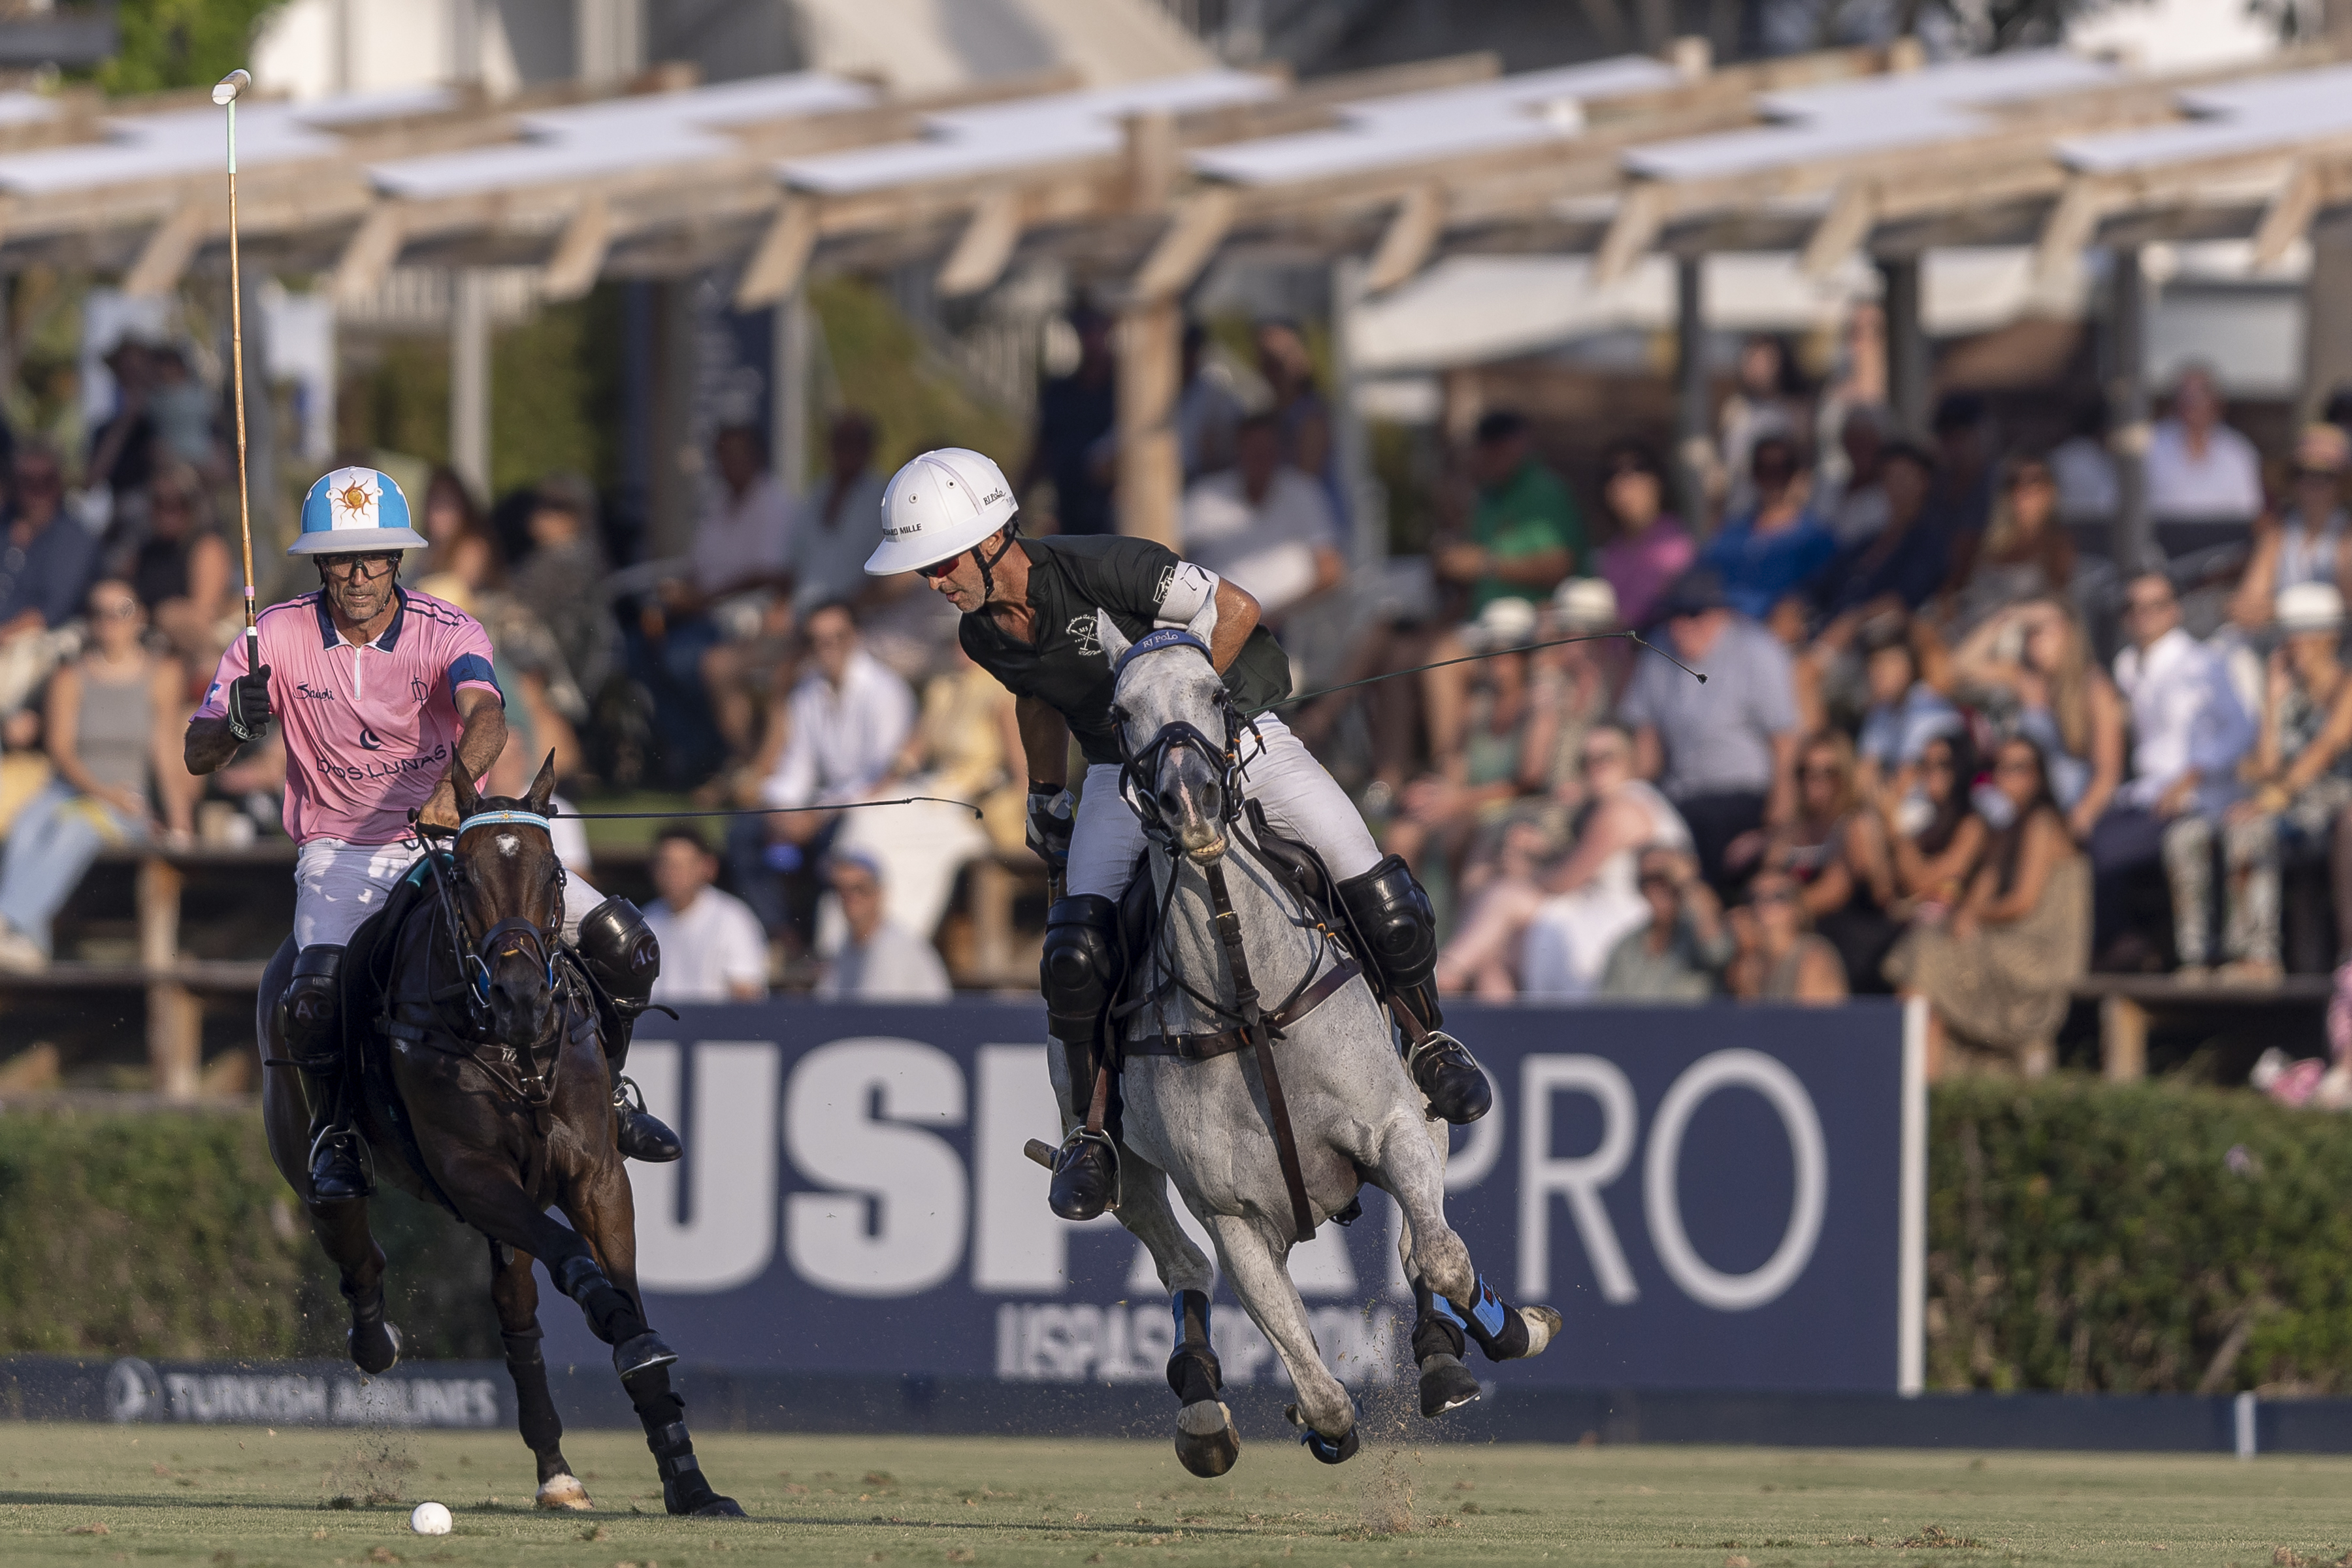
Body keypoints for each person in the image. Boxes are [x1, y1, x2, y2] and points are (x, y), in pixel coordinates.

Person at [863, 446, 1489, 1224]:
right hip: (1117, 777)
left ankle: (1428, 1043)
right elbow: (1036, 701)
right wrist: (1044, 794)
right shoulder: (981, 634)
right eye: (923, 569)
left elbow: (1236, 607)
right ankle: (1091, 1135)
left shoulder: (1105, 567)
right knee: (1073, 953)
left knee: (1377, 887)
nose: (934, 580)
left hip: (1237, 742)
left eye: (943, 561)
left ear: (994, 538)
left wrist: (1171, 715)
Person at [182, 466, 677, 1201]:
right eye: (342, 558)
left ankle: (609, 1096)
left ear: (398, 560)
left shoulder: (449, 629)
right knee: (312, 1001)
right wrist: (240, 722)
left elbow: (487, 714)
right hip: (343, 852)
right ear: (320, 561)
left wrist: (453, 789)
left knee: (626, 946)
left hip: (450, 840)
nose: (358, 574)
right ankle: (338, 1135)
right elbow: (199, 753)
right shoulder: (272, 635)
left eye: (375, 556)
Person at [0, 580, 193, 970]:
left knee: (76, 829)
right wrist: (101, 792)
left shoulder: (163, 672)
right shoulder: (70, 676)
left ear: (139, 616)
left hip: (126, 799)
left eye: (119, 611)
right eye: (97, 613)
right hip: (71, 791)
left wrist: (180, 822)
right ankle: (25, 938)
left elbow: (165, 750)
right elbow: (62, 752)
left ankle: (14, 925)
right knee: (27, 826)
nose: (109, 623)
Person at [1434, 721, 1691, 1000]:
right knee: (1492, 952)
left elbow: (1567, 880)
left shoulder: (1621, 810)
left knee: (1506, 897)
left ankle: (1445, 974)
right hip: (1601, 918)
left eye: (1606, 757)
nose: (1594, 766)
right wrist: (1540, 854)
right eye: (1586, 760)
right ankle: (1490, 1024)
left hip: (1621, 932)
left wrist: (1525, 872)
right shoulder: (1623, 804)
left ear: (1630, 760)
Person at [1886, 735, 2089, 1075]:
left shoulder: (2042, 823)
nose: (2004, 776)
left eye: (2017, 768)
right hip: (2005, 939)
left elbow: (2021, 903)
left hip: (2035, 952)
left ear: (2037, 775)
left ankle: (1914, 1085)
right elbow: (1983, 890)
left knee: (1926, 954)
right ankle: (1920, 1078)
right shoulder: (2010, 826)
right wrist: (1964, 915)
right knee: (1928, 947)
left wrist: (1973, 917)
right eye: (1999, 767)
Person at [2092, 572, 2257, 972]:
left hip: (2194, 797)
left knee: (2105, 850)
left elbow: (2242, 729)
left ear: (2174, 611)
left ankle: (2127, 943)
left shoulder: (2204, 663)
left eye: (2155, 605)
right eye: (2133, 607)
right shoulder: (2129, 667)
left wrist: (2193, 775)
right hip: (2148, 794)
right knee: (2088, 838)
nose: (2143, 616)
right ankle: (2126, 942)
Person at [738, 602, 915, 940]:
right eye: (818, 640)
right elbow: (798, 765)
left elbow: (880, 778)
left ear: (855, 638)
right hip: (825, 805)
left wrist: (815, 816)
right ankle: (779, 937)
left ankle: (824, 946)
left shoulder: (884, 691)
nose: (827, 648)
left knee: (835, 844)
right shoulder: (808, 692)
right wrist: (779, 809)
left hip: (867, 806)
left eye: (837, 638)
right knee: (747, 832)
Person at [1619, 570, 1800, 890]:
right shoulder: (1658, 654)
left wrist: (1776, 825)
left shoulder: (1757, 651)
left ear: (1720, 614)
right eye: (1674, 614)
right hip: (1680, 801)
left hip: (1745, 800)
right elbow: (1645, 745)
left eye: (1693, 614)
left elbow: (1785, 741)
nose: (1681, 626)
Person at [2227, 583, 2352, 975]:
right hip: (2295, 807)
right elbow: (2267, 765)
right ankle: (2256, 956)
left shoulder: (2346, 686)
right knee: (2245, 831)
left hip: (2338, 807)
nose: (2293, 643)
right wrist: (2272, 698)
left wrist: (2270, 799)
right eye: (2290, 634)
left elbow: (2326, 748)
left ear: (2328, 637)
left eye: (2303, 633)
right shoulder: (2288, 692)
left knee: (2257, 823)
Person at [1952, 597, 2125, 841]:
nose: (2035, 638)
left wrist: (2081, 818)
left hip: (2079, 806)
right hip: (2034, 807)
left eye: (2043, 628)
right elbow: (1960, 668)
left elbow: (2108, 770)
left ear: (2069, 631)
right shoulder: (2024, 681)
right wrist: (2007, 617)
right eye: (2029, 631)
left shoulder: (2094, 686)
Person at [1178, 412, 1344, 625]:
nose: (1260, 458)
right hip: (1213, 623)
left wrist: (1275, 618)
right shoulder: (1205, 497)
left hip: (1290, 626)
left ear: (1281, 453)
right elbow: (1168, 556)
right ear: (1238, 451)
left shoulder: (1304, 494)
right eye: (1253, 450)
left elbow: (1331, 571)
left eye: (1267, 451)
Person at [1434, 410, 1579, 616]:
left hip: (1533, 623)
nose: (1486, 456)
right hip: (1483, 621)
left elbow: (1558, 567)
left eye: (1496, 447)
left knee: (1444, 649)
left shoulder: (1545, 493)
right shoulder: (1488, 498)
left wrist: (1485, 564)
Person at [0, 441, 100, 715]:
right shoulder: (5, 525)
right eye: (27, 480)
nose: (36, 490)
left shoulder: (73, 538)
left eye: (46, 480)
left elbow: (49, 612)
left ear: (59, 484)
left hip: (35, 644)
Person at [1699, 435, 1835, 622]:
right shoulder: (1728, 533)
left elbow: (1820, 598)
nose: (1773, 478)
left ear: (1798, 475)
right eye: (1762, 469)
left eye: (1782, 469)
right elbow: (1701, 582)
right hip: (1718, 635)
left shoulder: (1817, 540)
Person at [114, 461, 231, 678]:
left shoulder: (206, 547)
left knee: (170, 614)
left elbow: (202, 615)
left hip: (190, 643)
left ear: (192, 506)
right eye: (160, 503)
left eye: (177, 504)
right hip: (144, 638)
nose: (168, 512)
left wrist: (162, 616)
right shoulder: (144, 552)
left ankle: (218, 677)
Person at [2232, 424, 2352, 630]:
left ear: (2341, 483)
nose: (2312, 483)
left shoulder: (2346, 533)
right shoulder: (2276, 533)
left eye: (2325, 475)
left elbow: (2348, 601)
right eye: (2302, 472)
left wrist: (2280, 608)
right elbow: (2246, 604)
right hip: (2282, 642)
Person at [1945, 452, 2075, 634]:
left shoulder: (2057, 543)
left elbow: (2061, 604)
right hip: (1973, 629)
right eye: (2013, 481)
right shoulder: (1982, 542)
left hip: (2021, 636)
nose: (2022, 489)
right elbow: (1952, 591)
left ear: (2050, 490)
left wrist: (2011, 616)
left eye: (2034, 480)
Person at [641, 824, 768, 1005]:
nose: (672, 874)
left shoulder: (733, 919)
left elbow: (747, 996)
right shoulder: (645, 920)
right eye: (665, 864)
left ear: (707, 867)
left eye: (682, 866)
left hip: (713, 1030)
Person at [1024, 303, 1117, 536]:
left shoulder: (1124, 391)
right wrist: (1019, 494)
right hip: (1068, 505)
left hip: (1112, 511)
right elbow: (1043, 447)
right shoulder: (1059, 391)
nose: (1090, 338)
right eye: (1085, 329)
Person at [813, 849, 953, 1002]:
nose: (850, 897)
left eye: (860, 888)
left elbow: (883, 1019)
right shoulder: (845, 946)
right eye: (840, 888)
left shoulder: (896, 949)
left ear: (880, 893)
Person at [1597, 845, 1733, 1000]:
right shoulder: (1626, 947)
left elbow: (1717, 951)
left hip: (1693, 1024)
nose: (1658, 888)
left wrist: (1687, 883)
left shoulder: (1696, 935)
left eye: (1666, 878)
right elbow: (1607, 1011)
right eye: (1648, 880)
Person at [1255, 317, 1347, 535]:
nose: (1273, 367)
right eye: (1267, 358)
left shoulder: (1311, 414)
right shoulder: (1273, 413)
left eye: (1280, 358)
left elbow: (1305, 479)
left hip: (1314, 530)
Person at [1591, 439, 1693, 630]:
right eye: (1611, 474)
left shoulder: (1673, 544)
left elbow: (1643, 617)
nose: (1623, 483)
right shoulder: (1614, 548)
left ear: (1659, 481)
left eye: (1638, 469)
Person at [2146, 363, 2262, 524]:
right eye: (2184, 393)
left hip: (2221, 545)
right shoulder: (2149, 445)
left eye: (2199, 394)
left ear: (2216, 402)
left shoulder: (2238, 452)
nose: (2190, 401)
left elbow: (2250, 513)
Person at [1725, 868, 1847, 1002]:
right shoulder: (1752, 961)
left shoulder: (1814, 954)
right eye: (1755, 897)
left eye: (1778, 896)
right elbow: (1749, 1018)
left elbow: (1809, 1019)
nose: (1764, 904)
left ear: (1797, 907)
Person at [1175, 321, 1241, 484]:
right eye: (1181, 349)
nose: (1186, 356)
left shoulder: (1214, 392)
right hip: (1157, 481)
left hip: (1201, 484)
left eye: (1191, 349)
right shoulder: (1151, 393)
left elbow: (1238, 443)